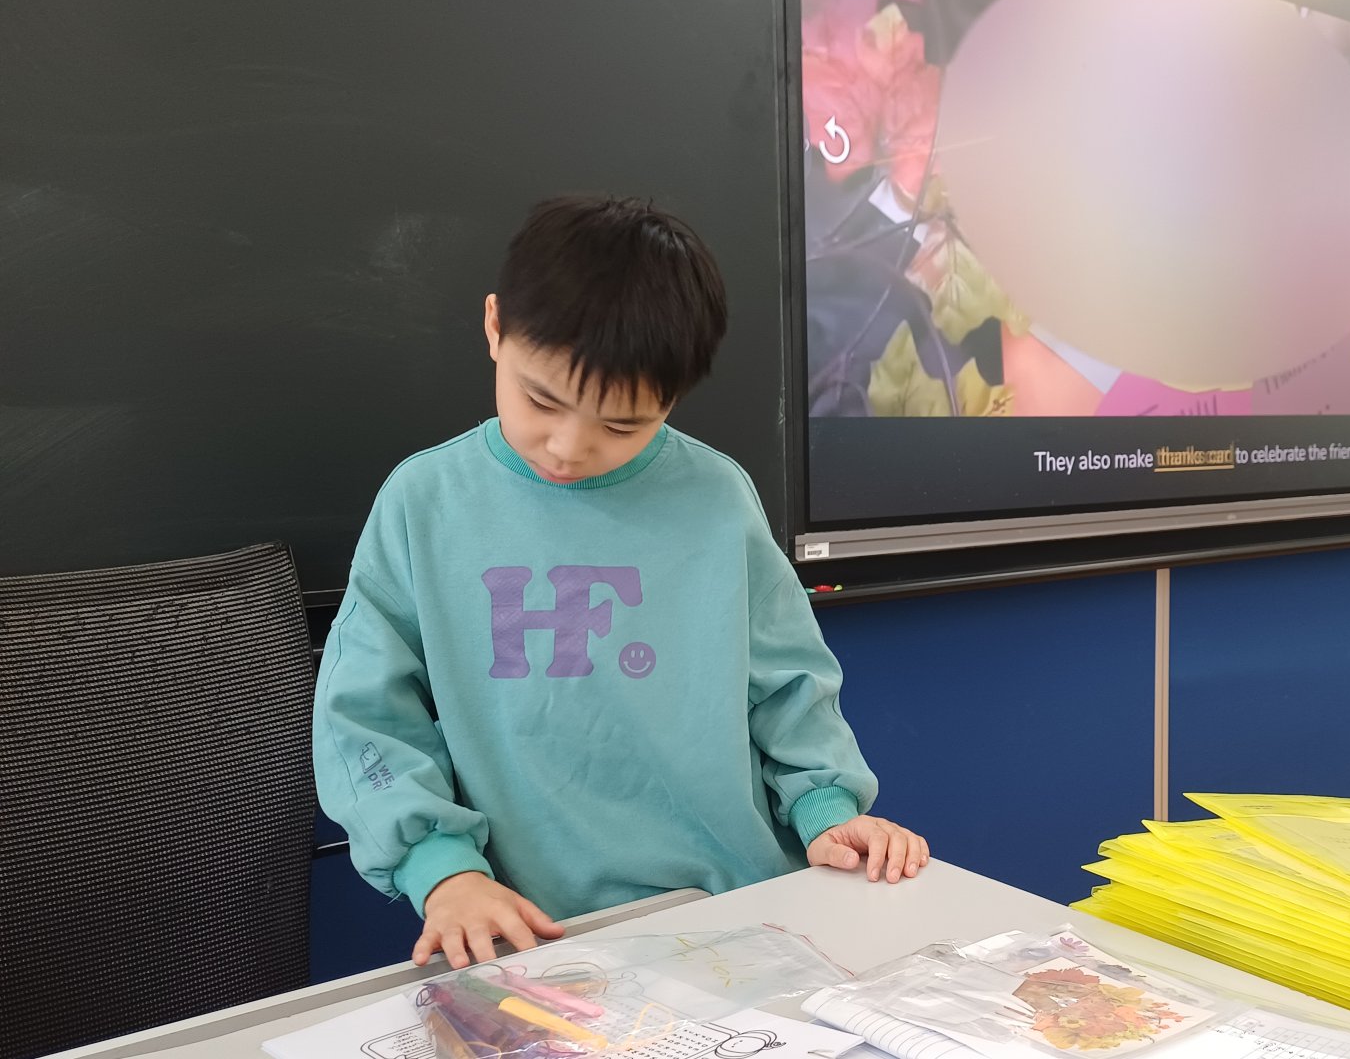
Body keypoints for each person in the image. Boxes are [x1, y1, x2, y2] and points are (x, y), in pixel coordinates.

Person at [314, 195, 927, 970]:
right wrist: (443, 871)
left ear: (674, 396)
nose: (568, 447)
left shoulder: (716, 498)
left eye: (622, 425)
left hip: (739, 912)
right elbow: (365, 716)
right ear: (495, 326)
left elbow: (789, 687)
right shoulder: (425, 504)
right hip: (535, 940)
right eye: (541, 400)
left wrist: (826, 809)